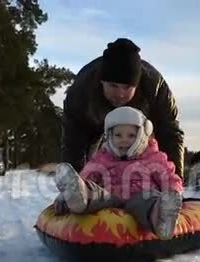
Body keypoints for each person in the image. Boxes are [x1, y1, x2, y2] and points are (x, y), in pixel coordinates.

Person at [60, 37, 185, 179]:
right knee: (94, 165)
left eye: (127, 87)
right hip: (94, 125)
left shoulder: (155, 88)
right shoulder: (81, 90)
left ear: (137, 86)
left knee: (150, 156)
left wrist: (175, 185)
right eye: (113, 86)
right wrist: (73, 184)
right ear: (102, 82)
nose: (120, 94)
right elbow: (72, 142)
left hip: (139, 129)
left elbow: (171, 135)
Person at [54, 106, 184, 240]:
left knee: (149, 200)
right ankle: (77, 197)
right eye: (118, 135)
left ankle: (161, 217)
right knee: (96, 192)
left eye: (131, 135)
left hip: (140, 197)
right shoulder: (103, 157)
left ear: (142, 135)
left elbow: (168, 177)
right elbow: (88, 175)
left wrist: (172, 191)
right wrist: (74, 188)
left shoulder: (153, 157)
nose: (124, 140)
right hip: (110, 197)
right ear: (109, 136)